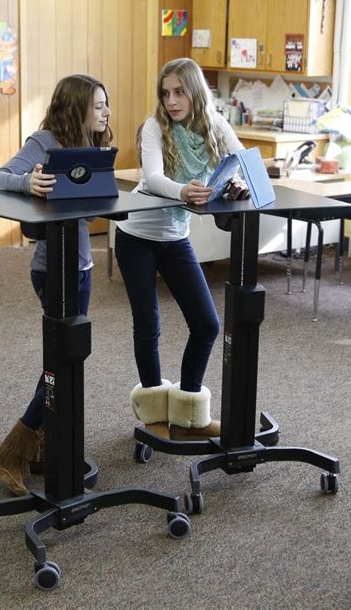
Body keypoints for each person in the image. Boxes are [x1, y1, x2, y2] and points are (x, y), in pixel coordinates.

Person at [0, 74, 112, 495]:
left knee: (67, 356)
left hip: (81, 267)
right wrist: (29, 182)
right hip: (52, 269)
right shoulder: (44, 141)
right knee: (65, 359)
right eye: (98, 105)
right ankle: (13, 450)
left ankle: (37, 446)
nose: (105, 112)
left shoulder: (90, 146)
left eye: (105, 105)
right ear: (77, 107)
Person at [115, 58, 249, 441]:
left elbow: (239, 160)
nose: (171, 101)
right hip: (137, 235)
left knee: (207, 324)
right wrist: (184, 191)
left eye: (179, 92)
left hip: (175, 237)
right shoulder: (155, 127)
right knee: (148, 323)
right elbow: (153, 178)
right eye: (165, 93)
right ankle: (155, 415)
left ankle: (190, 412)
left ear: (195, 91)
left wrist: (236, 183)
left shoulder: (215, 124)